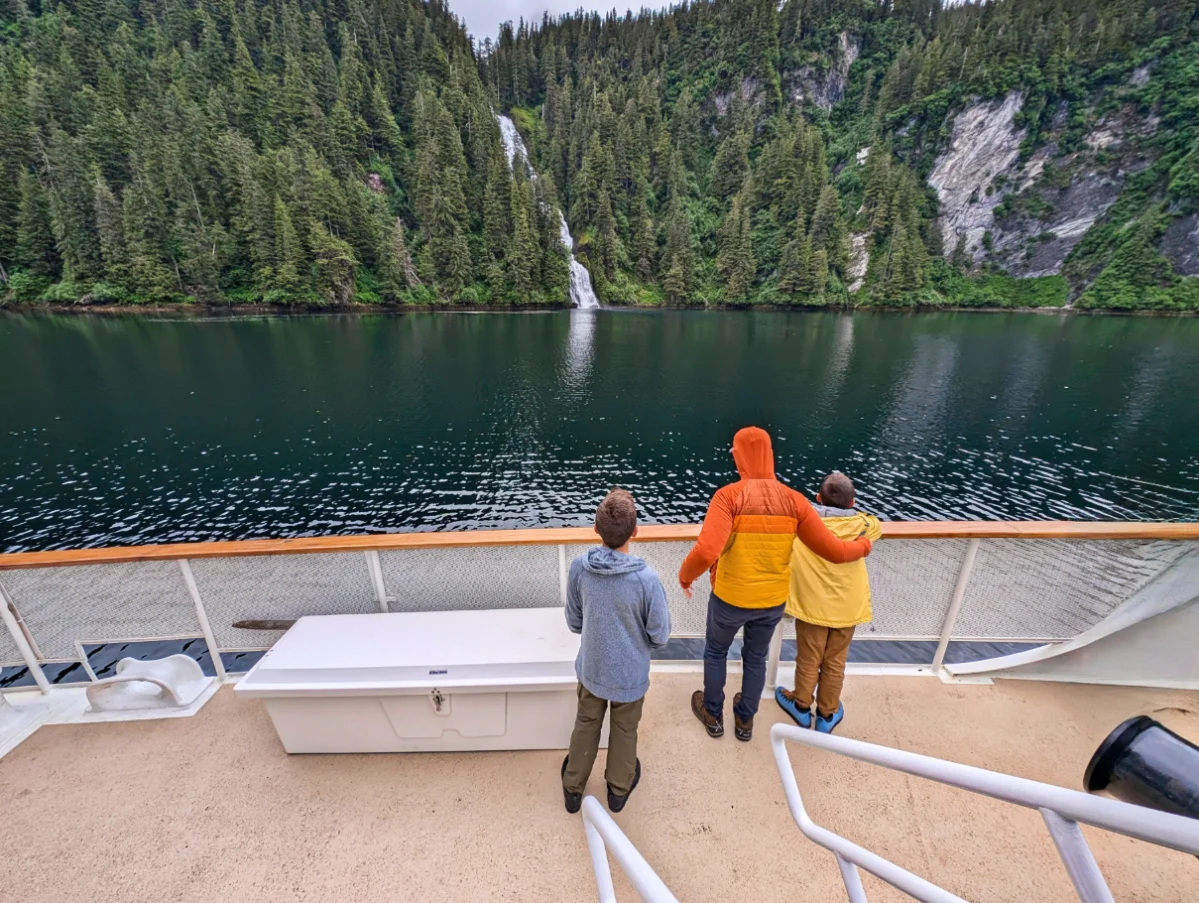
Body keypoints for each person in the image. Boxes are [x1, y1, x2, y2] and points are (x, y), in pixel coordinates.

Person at [678, 427, 873, 742]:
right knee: (755, 657)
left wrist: (686, 577)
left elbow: (706, 550)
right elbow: (836, 552)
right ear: (769, 457)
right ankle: (745, 722)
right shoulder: (795, 502)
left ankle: (713, 715)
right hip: (770, 602)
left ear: (740, 457)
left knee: (716, 651)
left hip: (730, 598)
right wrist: (863, 547)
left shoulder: (728, 496)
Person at [562, 488, 671, 815]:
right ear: (635, 531)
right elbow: (660, 635)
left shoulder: (579, 568)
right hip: (630, 675)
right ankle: (618, 790)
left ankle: (573, 786)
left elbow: (574, 621)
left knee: (586, 722)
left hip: (593, 668)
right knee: (625, 729)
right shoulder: (647, 580)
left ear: (595, 529)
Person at [775, 472, 882, 734]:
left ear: (818, 497)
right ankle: (827, 714)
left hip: (812, 606)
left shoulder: (801, 525)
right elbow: (875, 524)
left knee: (809, 658)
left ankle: (801, 707)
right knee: (835, 661)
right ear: (852, 502)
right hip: (848, 607)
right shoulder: (866, 527)